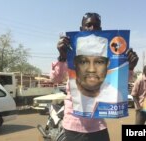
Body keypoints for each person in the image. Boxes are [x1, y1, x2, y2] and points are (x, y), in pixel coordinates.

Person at [50, 12, 139, 141]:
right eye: (88, 25)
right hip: (74, 124)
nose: (92, 28)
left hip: (97, 124)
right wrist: (62, 57)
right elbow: (55, 79)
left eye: (96, 26)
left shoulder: (108, 53)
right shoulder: (69, 52)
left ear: (100, 30)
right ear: (81, 29)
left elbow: (117, 84)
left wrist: (129, 67)